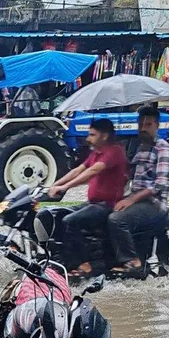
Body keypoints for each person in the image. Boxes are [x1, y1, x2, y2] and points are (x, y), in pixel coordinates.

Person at [48, 118, 128, 277]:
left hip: (107, 205)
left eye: (92, 134)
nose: (87, 138)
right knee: (57, 214)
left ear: (104, 136)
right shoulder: (96, 153)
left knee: (70, 221)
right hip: (93, 203)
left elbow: (92, 171)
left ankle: (84, 264)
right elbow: (80, 169)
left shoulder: (114, 151)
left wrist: (64, 187)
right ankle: (60, 259)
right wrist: (54, 184)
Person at [108, 106, 169, 275]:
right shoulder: (139, 147)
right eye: (140, 124)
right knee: (102, 211)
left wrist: (130, 200)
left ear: (157, 125)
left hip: (154, 204)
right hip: (137, 201)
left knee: (116, 219)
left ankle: (132, 261)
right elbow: (129, 175)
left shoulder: (163, 148)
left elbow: (159, 185)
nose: (143, 128)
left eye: (148, 124)